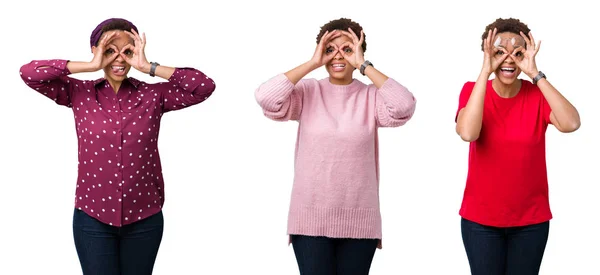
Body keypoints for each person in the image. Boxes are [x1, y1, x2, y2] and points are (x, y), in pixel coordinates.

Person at [19, 18, 216, 275]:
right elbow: (30, 73)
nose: (119, 60)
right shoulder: (78, 93)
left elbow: (203, 87)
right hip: (92, 219)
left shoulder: (153, 95)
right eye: (110, 50)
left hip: (144, 217)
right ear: (96, 51)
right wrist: (90, 66)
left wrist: (149, 67)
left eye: (128, 51)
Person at [255, 18, 417, 275]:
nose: (338, 56)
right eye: (330, 49)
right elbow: (266, 97)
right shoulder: (308, 92)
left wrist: (363, 65)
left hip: (360, 222)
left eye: (347, 49)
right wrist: (312, 63)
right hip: (310, 221)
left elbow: (404, 105)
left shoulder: (371, 96)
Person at [455, 17, 580, 275]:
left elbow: (571, 123)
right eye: (500, 52)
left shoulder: (537, 95)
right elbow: (468, 132)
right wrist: (484, 72)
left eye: (518, 52)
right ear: (488, 54)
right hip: (481, 222)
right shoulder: (472, 90)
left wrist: (536, 74)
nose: (508, 59)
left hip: (531, 222)